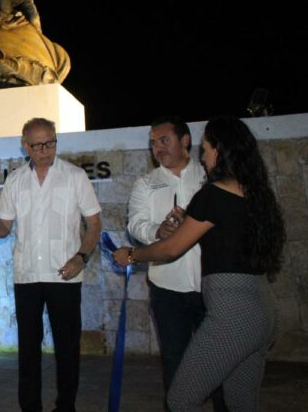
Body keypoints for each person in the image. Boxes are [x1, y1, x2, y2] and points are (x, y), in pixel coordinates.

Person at [114, 116, 286, 411]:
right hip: (262, 310)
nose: (203, 156)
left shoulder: (212, 192)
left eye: (206, 149)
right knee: (241, 403)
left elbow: (170, 250)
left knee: (181, 398)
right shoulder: (259, 194)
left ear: (219, 150)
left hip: (229, 311)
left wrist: (131, 255)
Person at [0, 118, 102, 412]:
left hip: (65, 274)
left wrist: (81, 256)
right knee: (28, 352)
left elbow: (95, 223)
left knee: (67, 350)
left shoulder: (74, 176)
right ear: (26, 146)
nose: (46, 150)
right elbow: (5, 229)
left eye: (51, 142)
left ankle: (66, 407)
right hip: (27, 276)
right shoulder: (15, 180)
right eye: (38, 145)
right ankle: (30, 407)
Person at [126, 116, 228, 410]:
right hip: (167, 289)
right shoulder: (145, 184)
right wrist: (157, 231)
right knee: (175, 361)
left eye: (163, 140)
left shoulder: (211, 177)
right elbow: (135, 224)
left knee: (220, 361)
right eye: (153, 143)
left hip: (212, 285)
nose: (158, 148)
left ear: (185, 141)